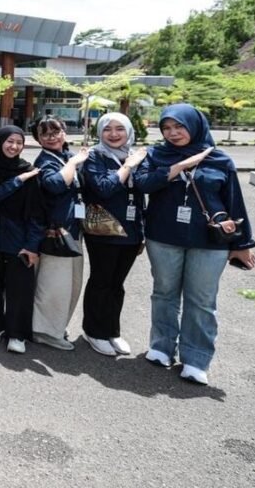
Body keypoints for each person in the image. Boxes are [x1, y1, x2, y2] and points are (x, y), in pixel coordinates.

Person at [133, 103, 255, 385]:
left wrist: (242, 243)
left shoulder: (219, 160)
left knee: (201, 300)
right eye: (167, 128)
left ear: (195, 126)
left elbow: (235, 202)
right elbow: (143, 184)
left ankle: (196, 358)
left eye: (179, 126)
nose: (173, 133)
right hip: (163, 237)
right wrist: (179, 167)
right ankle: (161, 346)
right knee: (163, 293)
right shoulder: (156, 155)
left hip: (209, 242)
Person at [81, 112, 147, 357]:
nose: (114, 134)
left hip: (131, 231)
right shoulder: (95, 156)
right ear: (100, 132)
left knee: (117, 284)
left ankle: (112, 331)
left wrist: (142, 231)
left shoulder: (136, 154)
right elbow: (104, 188)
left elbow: (141, 195)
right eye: (108, 129)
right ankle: (93, 331)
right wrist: (128, 166)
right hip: (103, 230)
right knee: (101, 281)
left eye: (120, 129)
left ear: (128, 131)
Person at [0, 126, 43, 354]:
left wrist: (32, 245)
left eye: (19, 142)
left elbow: (37, 214)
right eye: (9, 141)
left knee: (20, 288)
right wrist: (17, 181)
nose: (14, 146)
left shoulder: (30, 172)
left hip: (20, 237)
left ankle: (17, 334)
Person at [31, 116, 88, 351]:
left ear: (64, 132)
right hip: (56, 233)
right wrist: (74, 162)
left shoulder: (65, 156)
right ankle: (45, 332)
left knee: (71, 284)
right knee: (54, 286)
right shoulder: (46, 161)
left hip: (72, 230)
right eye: (45, 133)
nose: (51, 137)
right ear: (38, 139)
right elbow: (55, 184)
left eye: (56, 131)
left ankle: (56, 326)